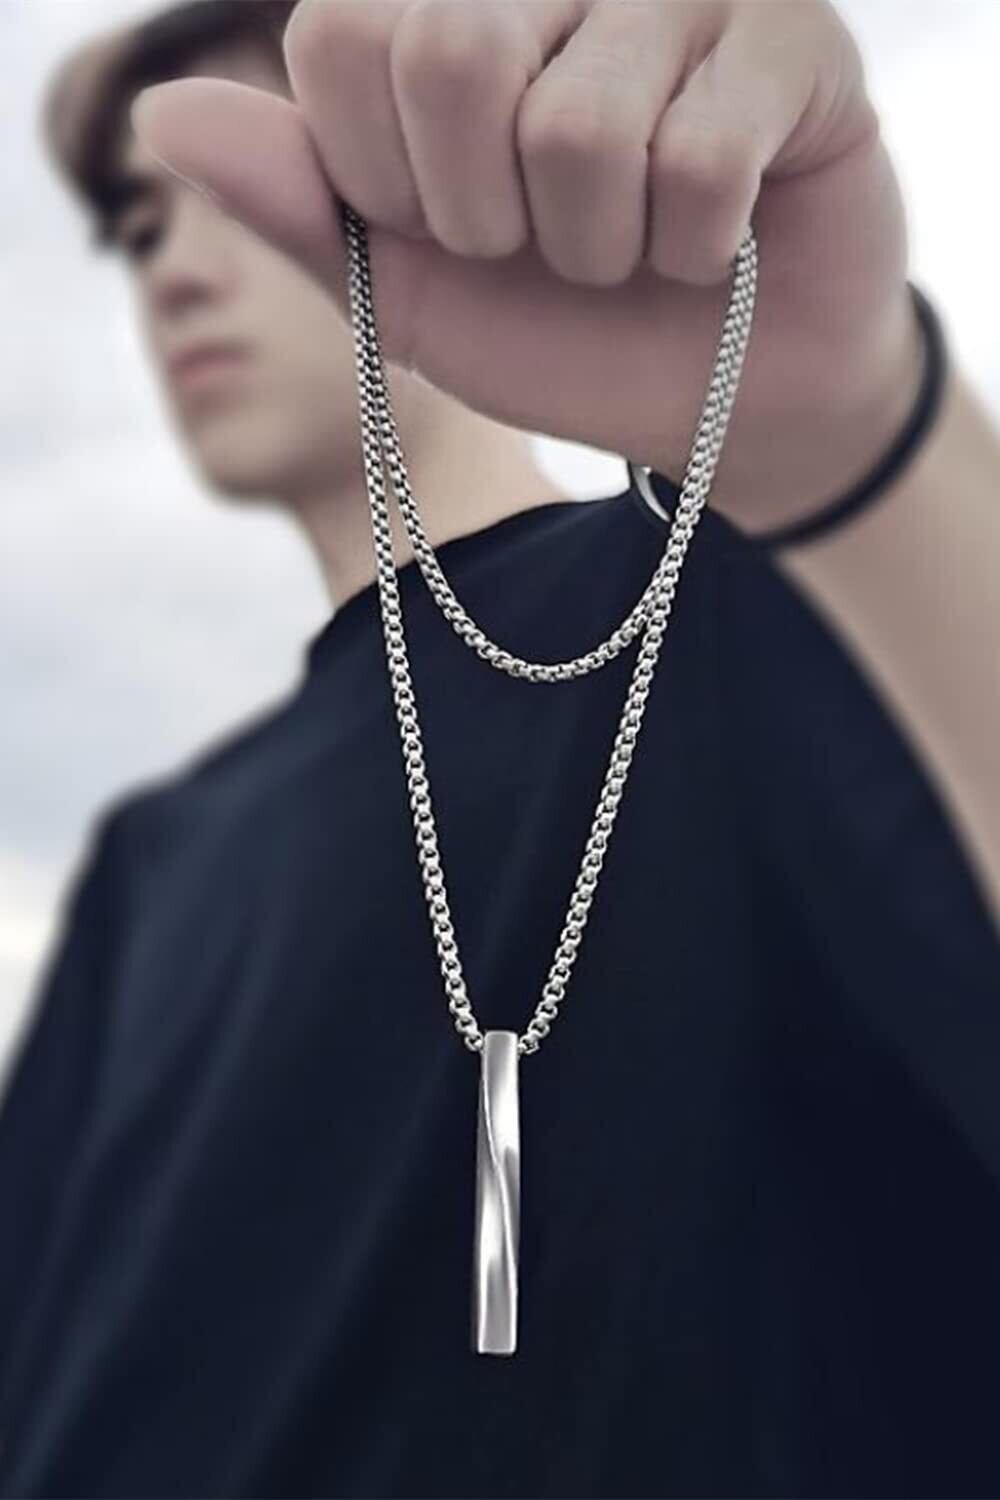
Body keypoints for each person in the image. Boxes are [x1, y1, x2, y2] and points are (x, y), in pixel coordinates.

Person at [1, 0, 997, 1494]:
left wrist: (858, 444)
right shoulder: (157, 858)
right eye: (138, 233)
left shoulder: (739, 588)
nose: (176, 272)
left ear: (463, 174)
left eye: (255, 192)